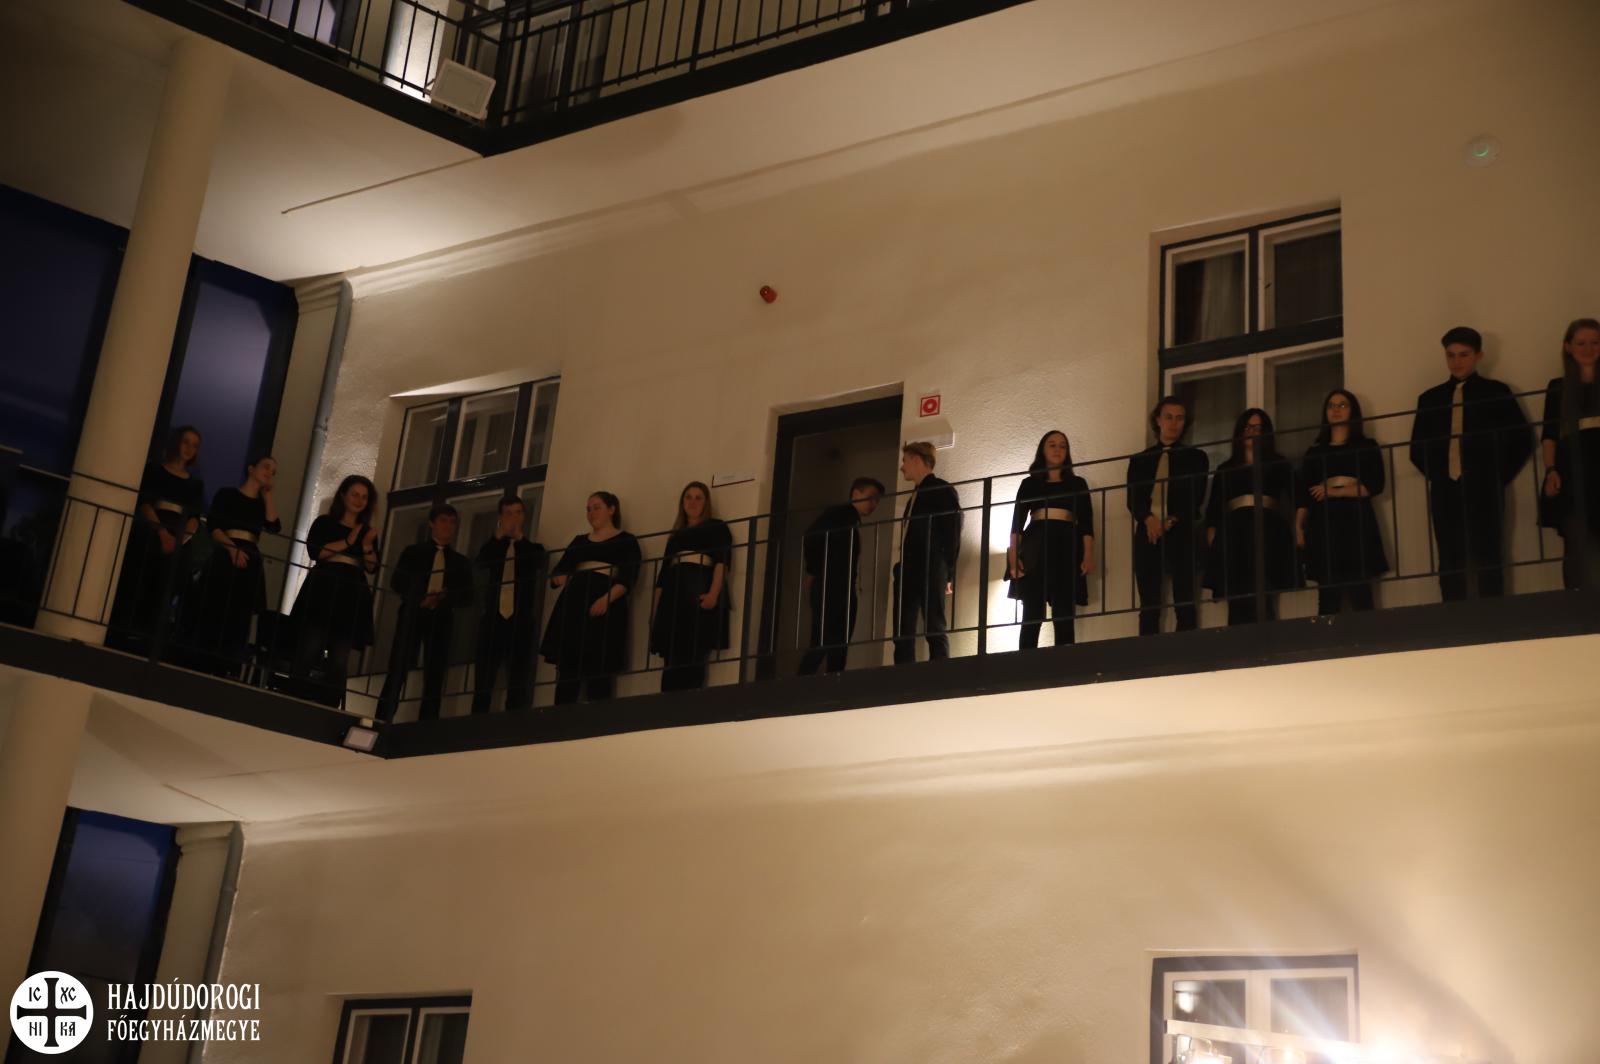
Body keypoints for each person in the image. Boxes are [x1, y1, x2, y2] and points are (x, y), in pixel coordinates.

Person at [1408, 326, 1533, 600]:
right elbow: (1417, 448)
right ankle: (1453, 618)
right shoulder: (1430, 399)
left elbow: (1522, 439)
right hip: (1445, 489)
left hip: (1484, 488)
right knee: (1449, 558)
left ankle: (1493, 618)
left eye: (1464, 354)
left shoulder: (1496, 392)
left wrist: (1495, 477)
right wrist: (1439, 475)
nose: (1457, 361)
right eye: (1451, 355)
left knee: (1488, 554)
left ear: (1478, 355)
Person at [107, 425, 205, 652]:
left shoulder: (195, 484)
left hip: (178, 539)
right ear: (176, 442)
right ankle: (124, 634)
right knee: (139, 581)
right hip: (151, 534)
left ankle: (151, 640)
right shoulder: (154, 470)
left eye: (194, 445)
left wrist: (179, 541)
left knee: (166, 589)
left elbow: (194, 518)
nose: (189, 448)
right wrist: (162, 533)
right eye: (186, 442)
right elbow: (146, 504)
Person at [182, 455, 281, 674]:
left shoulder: (261, 504)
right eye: (266, 467)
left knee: (240, 614)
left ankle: (228, 664)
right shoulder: (227, 494)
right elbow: (214, 526)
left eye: (273, 472)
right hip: (226, 554)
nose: (269, 473)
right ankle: (202, 659)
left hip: (250, 558)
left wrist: (268, 496)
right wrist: (232, 548)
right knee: (215, 606)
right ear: (251, 469)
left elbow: (274, 526)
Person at [540, 492, 640, 704]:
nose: (591, 513)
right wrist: (560, 577)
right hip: (574, 606)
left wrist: (606, 600)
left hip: (606, 606)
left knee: (599, 667)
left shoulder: (626, 541)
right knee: (569, 669)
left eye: (596, 507)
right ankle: (561, 717)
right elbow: (560, 571)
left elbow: (628, 578)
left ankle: (597, 718)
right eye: (588, 509)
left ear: (611, 509)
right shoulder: (579, 541)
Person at [377, 503, 473, 722]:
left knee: (435, 672)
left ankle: (427, 723)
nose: (448, 526)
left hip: (441, 618)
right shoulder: (413, 553)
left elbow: (467, 596)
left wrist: (444, 597)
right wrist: (421, 597)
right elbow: (398, 581)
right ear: (432, 523)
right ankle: (383, 719)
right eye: (443, 521)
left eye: (452, 522)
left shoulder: (460, 562)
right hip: (413, 613)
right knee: (399, 666)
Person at [1295, 390, 1388, 614]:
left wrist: (1335, 492)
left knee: (1361, 592)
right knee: (1327, 594)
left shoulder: (1366, 446)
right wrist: (1298, 526)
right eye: (1331, 406)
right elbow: (1304, 495)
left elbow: (1375, 485)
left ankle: (1368, 636)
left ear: (1353, 411)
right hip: (1323, 524)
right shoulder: (1315, 452)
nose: (1336, 410)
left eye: (1342, 405)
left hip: (1356, 520)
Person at [1203, 408, 1298, 625]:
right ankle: (1237, 642)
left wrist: (1298, 527)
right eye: (1247, 427)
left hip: (1268, 531)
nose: (1252, 432)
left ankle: (1266, 640)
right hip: (1234, 535)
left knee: (1265, 594)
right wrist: (1213, 538)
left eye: (1258, 428)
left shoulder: (1278, 465)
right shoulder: (1226, 469)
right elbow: (1214, 507)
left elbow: (1297, 496)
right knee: (1236, 594)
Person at [290, 474, 379, 705]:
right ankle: (294, 699)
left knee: (340, 657)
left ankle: (330, 705)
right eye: (355, 495)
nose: (359, 500)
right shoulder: (324, 523)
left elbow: (372, 567)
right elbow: (316, 552)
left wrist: (366, 545)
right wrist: (349, 541)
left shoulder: (367, 532)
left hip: (352, 594)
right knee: (310, 647)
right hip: (324, 588)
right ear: (343, 496)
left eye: (364, 497)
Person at [1126, 396, 1209, 635]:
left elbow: (1196, 495)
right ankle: (1147, 653)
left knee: (1185, 600)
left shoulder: (1196, 457)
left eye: (1179, 418)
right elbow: (1133, 498)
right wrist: (1149, 519)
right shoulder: (1139, 460)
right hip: (1147, 530)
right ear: (1158, 420)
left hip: (1181, 530)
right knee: (1149, 603)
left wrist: (1171, 520)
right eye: (1169, 417)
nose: (1174, 423)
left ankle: (1186, 651)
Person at [1007, 430, 1094, 648]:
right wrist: (1013, 557)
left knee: (1064, 614)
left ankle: (1066, 664)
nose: (1057, 449)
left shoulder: (1078, 483)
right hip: (1036, 546)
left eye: (1062, 446)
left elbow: (1086, 523)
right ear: (1043, 450)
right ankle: (1025, 663)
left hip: (1066, 545)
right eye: (1052, 445)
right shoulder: (1029, 484)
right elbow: (1017, 523)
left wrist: (1088, 555)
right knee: (1032, 613)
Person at [650, 482, 733, 692]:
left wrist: (713, 594)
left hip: (699, 591)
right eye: (688, 497)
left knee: (695, 652)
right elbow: (663, 575)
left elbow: (722, 562)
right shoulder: (676, 535)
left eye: (698, 497)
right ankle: (667, 704)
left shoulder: (716, 527)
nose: (692, 502)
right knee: (671, 656)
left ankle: (688, 703)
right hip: (674, 596)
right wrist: (655, 612)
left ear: (706, 503)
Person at [798, 477, 884, 675]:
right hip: (832, 586)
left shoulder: (849, 518)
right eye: (871, 497)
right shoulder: (840, 514)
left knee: (837, 642)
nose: (874, 504)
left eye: (877, 500)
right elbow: (811, 538)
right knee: (825, 640)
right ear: (856, 494)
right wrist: (814, 570)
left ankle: (830, 683)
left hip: (842, 586)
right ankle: (803, 684)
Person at [1539, 318, 1600, 589]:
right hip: (1572, 470)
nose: (1588, 349)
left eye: (1595, 343)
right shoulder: (1558, 387)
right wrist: (1550, 470)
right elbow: (1549, 434)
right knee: (1576, 544)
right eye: (1581, 343)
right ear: (1568, 346)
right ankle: (1577, 604)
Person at [471, 496, 546, 713]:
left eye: (517, 513)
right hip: (493, 617)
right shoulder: (494, 547)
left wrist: (519, 538)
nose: (513, 518)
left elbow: (539, 562)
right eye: (508, 513)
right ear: (500, 517)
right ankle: (477, 719)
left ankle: (514, 719)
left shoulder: (531, 548)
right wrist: (498, 536)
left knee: (518, 673)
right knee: (484, 674)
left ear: (523, 517)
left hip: (520, 618)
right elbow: (481, 563)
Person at [892, 441, 961, 664]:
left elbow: (952, 531)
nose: (902, 466)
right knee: (905, 629)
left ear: (916, 459)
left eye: (905, 460)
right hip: (913, 565)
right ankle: (907, 674)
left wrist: (948, 572)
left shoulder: (940, 490)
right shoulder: (917, 495)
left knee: (933, 625)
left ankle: (939, 673)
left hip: (931, 564)